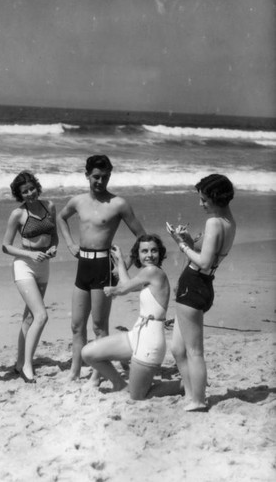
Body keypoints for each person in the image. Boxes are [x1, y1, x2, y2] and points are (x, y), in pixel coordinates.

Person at [57, 155, 146, 382]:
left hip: (103, 266)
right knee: (77, 325)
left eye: (105, 177)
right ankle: (75, 372)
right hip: (83, 265)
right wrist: (69, 243)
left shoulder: (118, 204)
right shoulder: (77, 201)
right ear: (87, 175)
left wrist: (123, 269)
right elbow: (61, 217)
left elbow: (143, 239)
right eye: (96, 176)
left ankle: (97, 375)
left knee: (99, 326)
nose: (100, 181)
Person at [166, 174, 236, 412]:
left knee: (194, 351)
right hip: (204, 285)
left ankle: (198, 400)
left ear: (216, 197)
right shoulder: (229, 222)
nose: (201, 204)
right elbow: (210, 256)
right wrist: (188, 240)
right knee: (177, 348)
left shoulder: (213, 223)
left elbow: (203, 262)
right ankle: (191, 391)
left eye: (204, 200)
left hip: (194, 283)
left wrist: (180, 244)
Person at [82, 235, 170, 399]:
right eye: (144, 251)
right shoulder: (148, 277)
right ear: (138, 254)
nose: (149, 255)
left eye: (154, 250)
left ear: (160, 253)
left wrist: (112, 290)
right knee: (88, 353)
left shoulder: (153, 272)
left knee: (137, 396)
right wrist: (120, 261)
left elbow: (123, 289)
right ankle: (119, 384)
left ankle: (187, 384)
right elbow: (127, 284)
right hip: (136, 334)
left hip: (151, 343)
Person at [2, 171, 58, 383]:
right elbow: (6, 246)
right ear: (19, 194)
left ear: (37, 186)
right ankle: (27, 365)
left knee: (29, 318)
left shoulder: (49, 206)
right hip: (24, 266)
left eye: (32, 188)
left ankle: (19, 362)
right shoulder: (18, 214)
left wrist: (53, 248)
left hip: (44, 266)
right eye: (24, 192)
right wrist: (30, 254)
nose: (30, 194)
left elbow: (54, 235)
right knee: (41, 316)